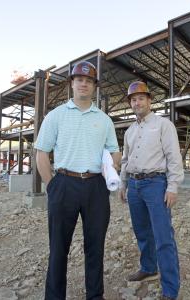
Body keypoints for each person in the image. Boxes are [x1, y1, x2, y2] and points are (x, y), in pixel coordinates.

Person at [34, 61, 121, 300]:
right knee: (59, 248)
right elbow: (41, 152)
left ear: (94, 86)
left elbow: (115, 151)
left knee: (95, 246)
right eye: (79, 79)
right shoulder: (56, 116)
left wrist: (113, 164)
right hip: (64, 183)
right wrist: (51, 185)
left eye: (89, 80)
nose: (84, 83)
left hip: (95, 187)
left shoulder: (104, 120)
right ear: (72, 83)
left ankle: (95, 295)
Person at [119, 81, 184, 300]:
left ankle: (170, 289)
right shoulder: (130, 131)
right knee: (142, 232)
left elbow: (174, 157)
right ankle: (148, 267)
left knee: (163, 235)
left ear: (149, 100)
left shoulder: (163, 125)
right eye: (133, 99)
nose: (137, 102)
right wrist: (123, 184)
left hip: (156, 184)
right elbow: (126, 160)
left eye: (140, 98)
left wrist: (173, 186)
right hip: (135, 186)